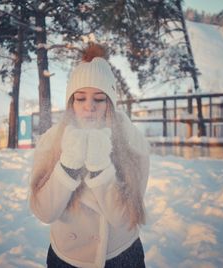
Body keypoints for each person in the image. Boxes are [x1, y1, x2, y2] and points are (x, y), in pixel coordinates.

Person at [29, 43, 150, 268]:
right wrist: (67, 165)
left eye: (99, 98)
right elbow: (44, 212)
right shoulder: (51, 142)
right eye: (80, 98)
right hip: (66, 258)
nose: (89, 107)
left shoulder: (133, 144)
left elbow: (125, 219)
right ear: (71, 103)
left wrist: (100, 168)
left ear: (110, 103)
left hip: (121, 256)